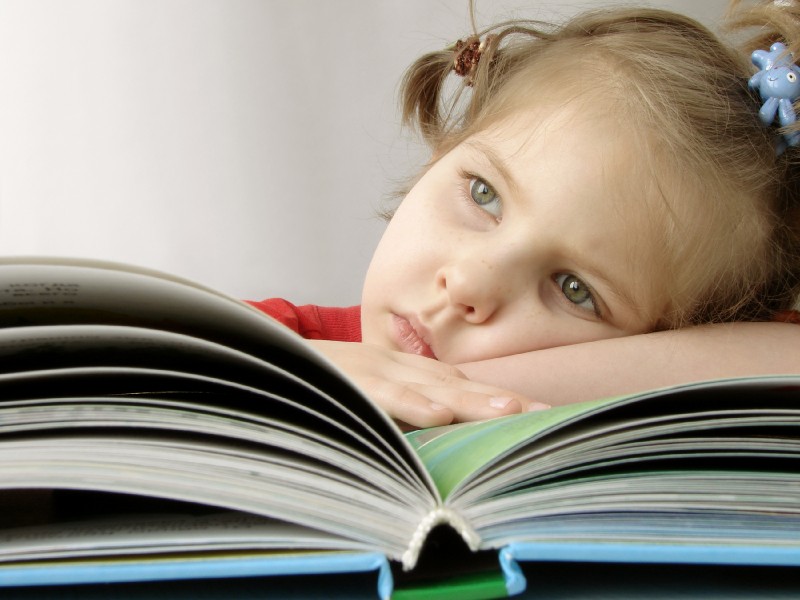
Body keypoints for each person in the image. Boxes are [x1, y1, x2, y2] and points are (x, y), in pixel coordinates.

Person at [249, 0, 800, 430]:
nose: (466, 282)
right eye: (484, 195)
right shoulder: (268, 340)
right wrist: (307, 378)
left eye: (573, 289)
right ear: (443, 151)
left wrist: (469, 385)